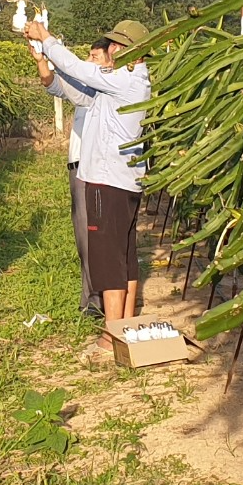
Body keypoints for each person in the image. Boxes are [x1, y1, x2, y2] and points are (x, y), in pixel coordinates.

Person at [24, 18, 150, 346]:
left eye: (112, 46)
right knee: (125, 255)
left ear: (123, 50)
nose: (108, 51)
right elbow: (75, 90)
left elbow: (79, 70)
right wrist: (43, 59)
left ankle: (111, 337)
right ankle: (125, 326)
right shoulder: (124, 83)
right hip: (124, 180)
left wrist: (46, 37)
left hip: (107, 182)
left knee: (109, 259)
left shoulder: (125, 80)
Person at [30, 37, 110, 316]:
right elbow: (51, 83)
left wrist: (47, 38)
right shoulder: (86, 87)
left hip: (95, 169)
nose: (89, 61)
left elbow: (63, 77)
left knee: (96, 234)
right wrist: (41, 59)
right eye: (88, 55)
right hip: (77, 167)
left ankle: (100, 298)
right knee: (83, 235)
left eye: (94, 56)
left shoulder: (105, 90)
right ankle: (90, 296)